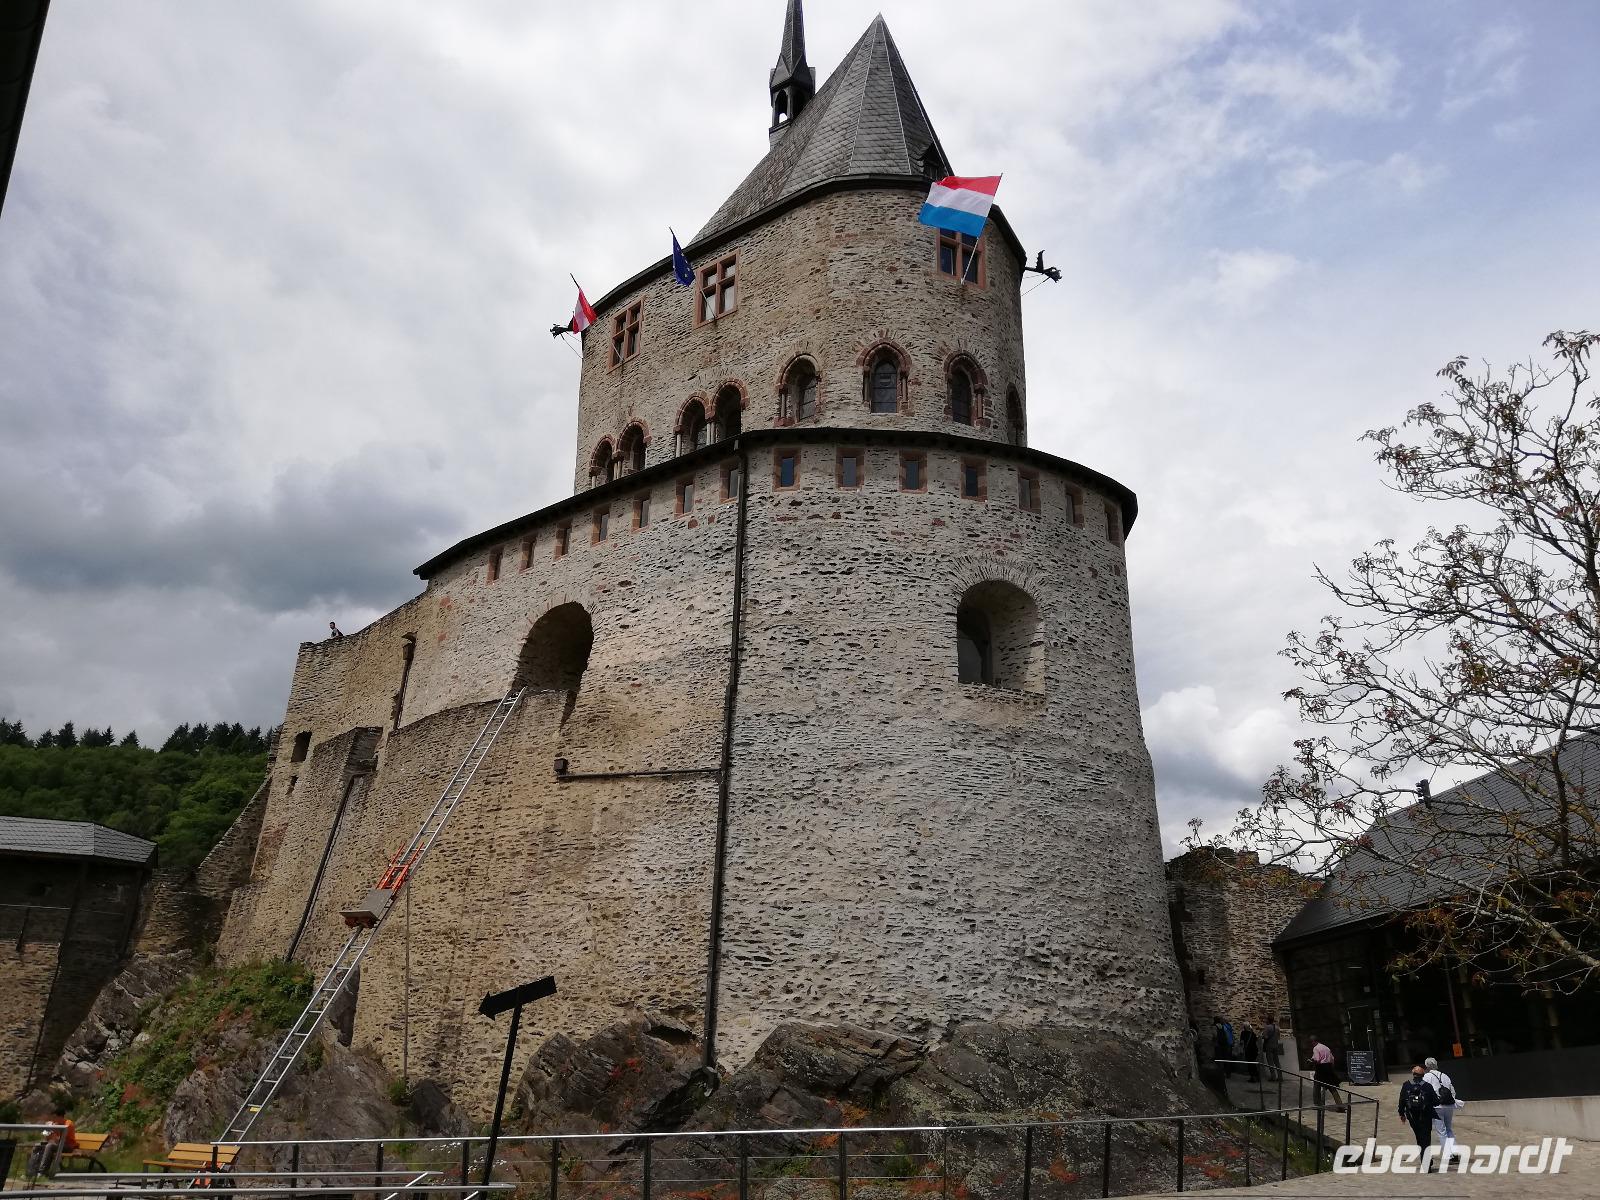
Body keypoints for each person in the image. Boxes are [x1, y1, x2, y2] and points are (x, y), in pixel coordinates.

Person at [1398, 1064, 1439, 1170]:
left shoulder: (1406, 1085)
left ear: (1413, 1074)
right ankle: (1426, 1162)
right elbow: (1435, 1101)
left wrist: (1401, 1114)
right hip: (1425, 1117)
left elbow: (1402, 1101)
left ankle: (1425, 1160)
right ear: (1423, 1075)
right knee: (1426, 1138)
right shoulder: (1427, 1086)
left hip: (1412, 1117)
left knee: (1419, 1138)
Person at [1423, 1056, 1461, 1163]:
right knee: (1448, 1129)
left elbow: (1425, 1092)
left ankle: (1449, 1155)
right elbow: (1452, 1090)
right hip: (1449, 1105)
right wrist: (1451, 1100)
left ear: (1427, 1066)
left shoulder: (1427, 1077)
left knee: (1441, 1131)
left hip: (1437, 1107)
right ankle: (1454, 1153)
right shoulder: (1445, 1076)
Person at [25, 1104, 78, 1178]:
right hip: (58, 1145)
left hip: (68, 1146)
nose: (53, 1120)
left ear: (60, 1117)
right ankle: (31, 1172)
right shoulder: (55, 1124)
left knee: (49, 1146)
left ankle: (42, 1171)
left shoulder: (68, 1124)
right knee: (38, 1146)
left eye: (54, 1117)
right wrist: (47, 1131)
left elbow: (61, 1139)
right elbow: (49, 1139)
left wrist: (54, 1129)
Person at [1309, 1035, 1345, 1111]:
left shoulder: (1316, 1048)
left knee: (1317, 1086)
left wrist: (1311, 1062)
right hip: (1328, 1068)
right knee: (1332, 1087)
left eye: (1311, 1042)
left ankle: (1317, 1104)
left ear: (1313, 1041)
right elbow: (1332, 1059)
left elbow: (1317, 1059)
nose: (1311, 1044)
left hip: (1321, 1068)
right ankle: (1340, 1105)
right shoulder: (1326, 1047)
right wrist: (1331, 1068)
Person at [1262, 1015, 1283, 1081]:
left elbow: (1265, 1037)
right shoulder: (1277, 1027)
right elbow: (1278, 1037)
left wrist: (1263, 1036)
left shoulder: (1267, 1027)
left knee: (1270, 1062)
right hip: (1276, 1045)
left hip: (1269, 1046)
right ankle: (1280, 1076)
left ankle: (1273, 1076)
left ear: (1268, 1020)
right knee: (1277, 1061)